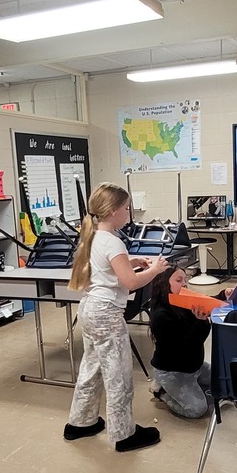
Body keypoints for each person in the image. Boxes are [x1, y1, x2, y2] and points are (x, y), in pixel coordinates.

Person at [64, 182, 168, 452]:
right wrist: (155, 269)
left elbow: (106, 267)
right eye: (126, 208)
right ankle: (124, 435)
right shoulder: (113, 241)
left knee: (92, 368)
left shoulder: (94, 236)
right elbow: (131, 283)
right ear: (113, 211)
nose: (128, 212)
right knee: (118, 375)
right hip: (106, 316)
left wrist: (131, 261)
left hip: (90, 310)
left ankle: (80, 422)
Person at [149, 265, 212, 419]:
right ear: (164, 284)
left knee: (223, 381)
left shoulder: (181, 302)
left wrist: (224, 295)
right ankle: (161, 391)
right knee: (197, 409)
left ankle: (189, 384)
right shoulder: (160, 315)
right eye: (179, 280)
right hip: (173, 370)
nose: (184, 284)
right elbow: (185, 346)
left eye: (185, 280)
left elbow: (205, 301)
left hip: (194, 366)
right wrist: (200, 322)